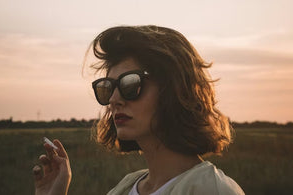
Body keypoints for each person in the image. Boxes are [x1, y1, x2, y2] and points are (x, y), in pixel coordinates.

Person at [32, 25, 245, 195]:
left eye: (129, 85)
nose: (114, 100)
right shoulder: (125, 188)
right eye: (108, 88)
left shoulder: (211, 190)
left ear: (174, 89)